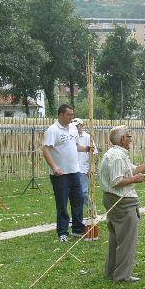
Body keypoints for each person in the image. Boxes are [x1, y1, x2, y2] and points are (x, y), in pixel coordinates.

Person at [99, 125, 145, 283]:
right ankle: (122, 276)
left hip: (115, 200)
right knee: (127, 240)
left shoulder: (118, 154)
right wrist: (135, 180)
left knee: (117, 237)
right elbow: (117, 181)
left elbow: (133, 170)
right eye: (129, 137)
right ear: (122, 139)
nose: (130, 140)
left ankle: (112, 271)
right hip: (122, 202)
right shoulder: (117, 156)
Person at [42, 104, 92, 242]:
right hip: (60, 174)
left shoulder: (73, 128)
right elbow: (45, 150)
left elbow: (76, 147)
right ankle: (63, 232)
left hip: (74, 171)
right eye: (69, 115)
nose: (72, 117)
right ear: (61, 115)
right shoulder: (52, 130)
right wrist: (54, 167)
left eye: (72, 114)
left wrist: (87, 148)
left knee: (78, 200)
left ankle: (77, 229)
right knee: (62, 203)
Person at [72, 118, 98, 208]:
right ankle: (78, 213)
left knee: (83, 192)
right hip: (73, 169)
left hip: (84, 169)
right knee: (75, 193)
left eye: (77, 126)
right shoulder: (71, 137)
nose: (76, 128)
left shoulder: (87, 137)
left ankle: (92, 208)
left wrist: (91, 167)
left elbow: (94, 153)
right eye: (74, 126)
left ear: (82, 126)